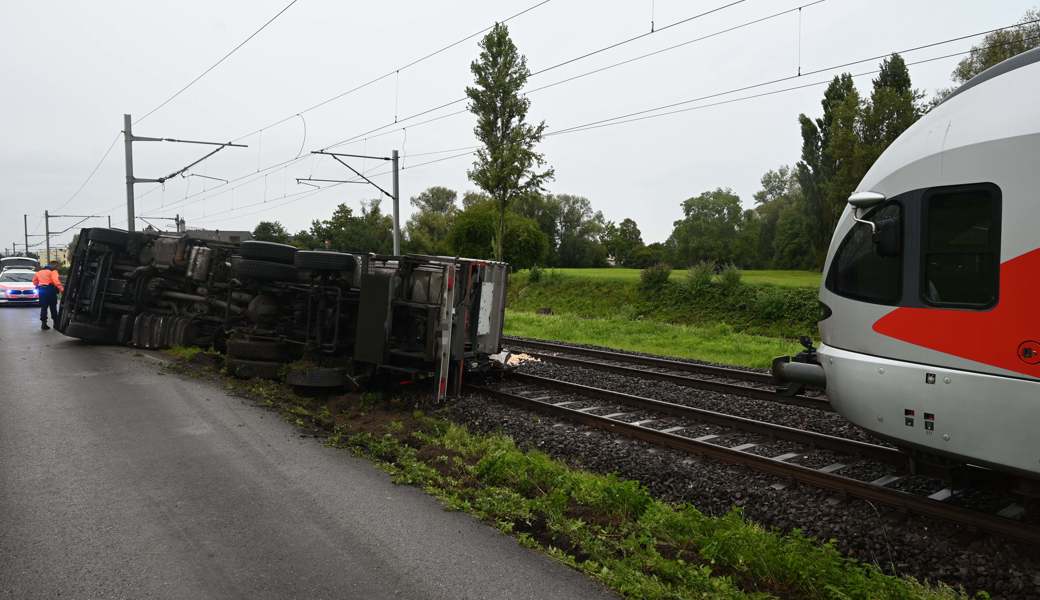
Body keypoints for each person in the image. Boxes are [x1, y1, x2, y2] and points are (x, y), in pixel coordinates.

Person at [32, 263, 63, 330]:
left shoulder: (39, 272)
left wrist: (37, 285)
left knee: (44, 307)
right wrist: (62, 289)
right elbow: (56, 281)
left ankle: (44, 324)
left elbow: (34, 281)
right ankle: (55, 324)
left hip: (42, 291)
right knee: (53, 307)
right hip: (50, 290)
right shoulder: (53, 272)